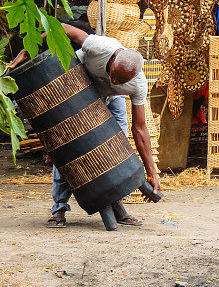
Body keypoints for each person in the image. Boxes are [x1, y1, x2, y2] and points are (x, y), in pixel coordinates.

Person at [10, 24, 161, 228]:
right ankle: (60, 207)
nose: (112, 79)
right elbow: (62, 28)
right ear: (112, 59)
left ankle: (117, 207)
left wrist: (151, 169)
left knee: (116, 150)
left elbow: (140, 128)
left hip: (109, 98)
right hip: (75, 88)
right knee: (66, 146)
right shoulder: (99, 46)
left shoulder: (138, 84)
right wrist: (28, 50)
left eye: (119, 80)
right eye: (111, 73)